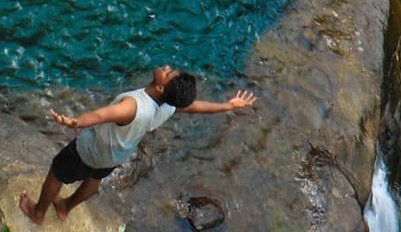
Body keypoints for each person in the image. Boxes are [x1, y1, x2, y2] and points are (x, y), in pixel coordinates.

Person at [18, 64, 256, 225]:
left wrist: (74, 122)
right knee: (94, 179)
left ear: (161, 87)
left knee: (57, 170)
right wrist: (227, 106)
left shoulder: (133, 105)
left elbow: (103, 115)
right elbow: (197, 106)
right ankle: (65, 207)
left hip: (92, 148)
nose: (166, 67)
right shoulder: (169, 105)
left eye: (168, 72)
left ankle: (38, 213)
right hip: (118, 154)